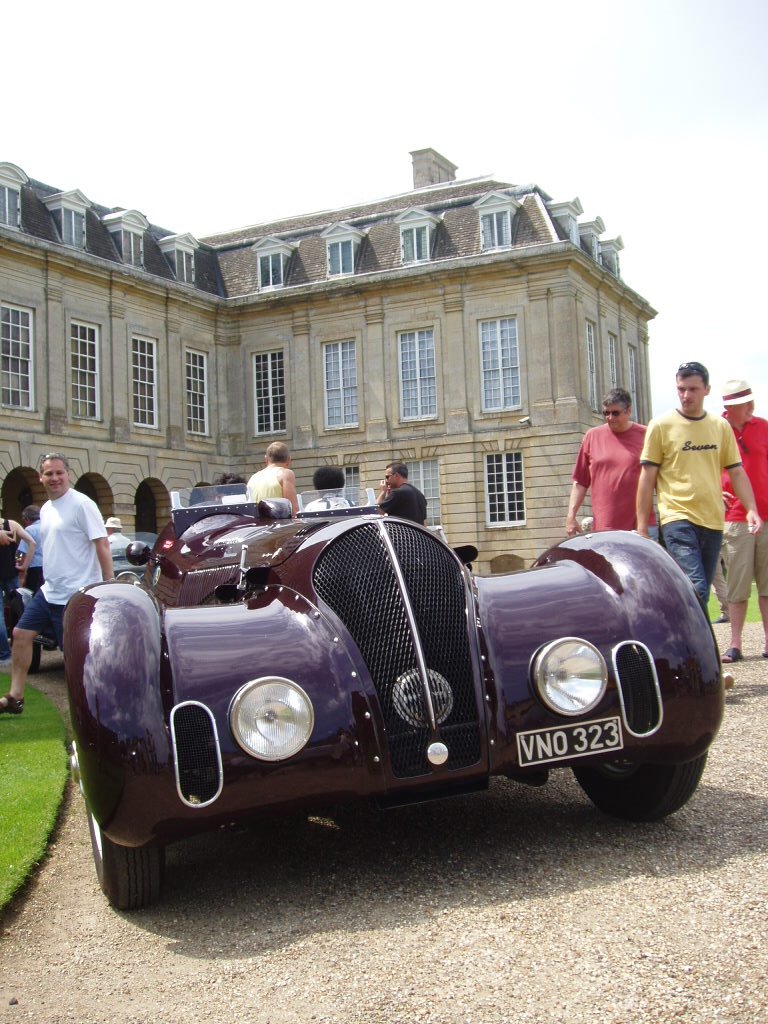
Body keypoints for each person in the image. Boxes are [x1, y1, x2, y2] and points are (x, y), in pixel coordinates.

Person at [636, 361, 762, 611]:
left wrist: (751, 509)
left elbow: (736, 471)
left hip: (713, 519)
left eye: (693, 389)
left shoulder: (719, 426)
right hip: (677, 516)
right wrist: (642, 526)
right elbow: (647, 476)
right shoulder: (661, 425)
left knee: (698, 590)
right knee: (696, 585)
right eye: (681, 389)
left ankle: (684, 640)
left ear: (707, 390)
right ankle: (694, 648)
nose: (686, 395)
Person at [0, 453, 113, 715]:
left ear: (68, 475)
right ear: (41, 477)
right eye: (48, 474)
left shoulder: (82, 504)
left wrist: (109, 586)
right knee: (20, 634)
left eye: (59, 472)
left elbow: (102, 544)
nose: (54, 478)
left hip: (77, 594)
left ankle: (95, 710)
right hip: (49, 591)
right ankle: (16, 697)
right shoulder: (47, 509)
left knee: (76, 656)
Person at [717, 378, 768, 663]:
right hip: (735, 518)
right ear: (729, 407)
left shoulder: (763, 427)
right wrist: (715, 490)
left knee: (767, 585)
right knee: (737, 584)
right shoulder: (717, 430)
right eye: (743, 404)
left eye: (750, 401)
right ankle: (735, 644)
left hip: (767, 516)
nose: (751, 407)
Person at [566, 387, 649, 535]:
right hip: (605, 526)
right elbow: (580, 481)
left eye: (615, 413)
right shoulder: (592, 436)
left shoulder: (647, 435)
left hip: (642, 526)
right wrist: (571, 516)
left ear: (628, 411)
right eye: (606, 413)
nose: (610, 418)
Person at [0, 515, 38, 667]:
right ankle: (21, 650)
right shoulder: (12, 524)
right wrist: (24, 566)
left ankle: (5, 655)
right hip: (11, 574)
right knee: (21, 611)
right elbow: (32, 543)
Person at [246, 442, 299, 515]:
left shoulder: (253, 477)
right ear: (289, 460)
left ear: (266, 459)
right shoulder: (286, 474)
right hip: (279, 524)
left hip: (257, 525)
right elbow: (293, 508)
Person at [17, 505, 44, 593]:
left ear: (27, 519)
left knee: (32, 594)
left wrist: (18, 565)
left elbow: (21, 552)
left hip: (34, 568)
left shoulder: (29, 530)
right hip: (49, 566)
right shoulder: (48, 527)